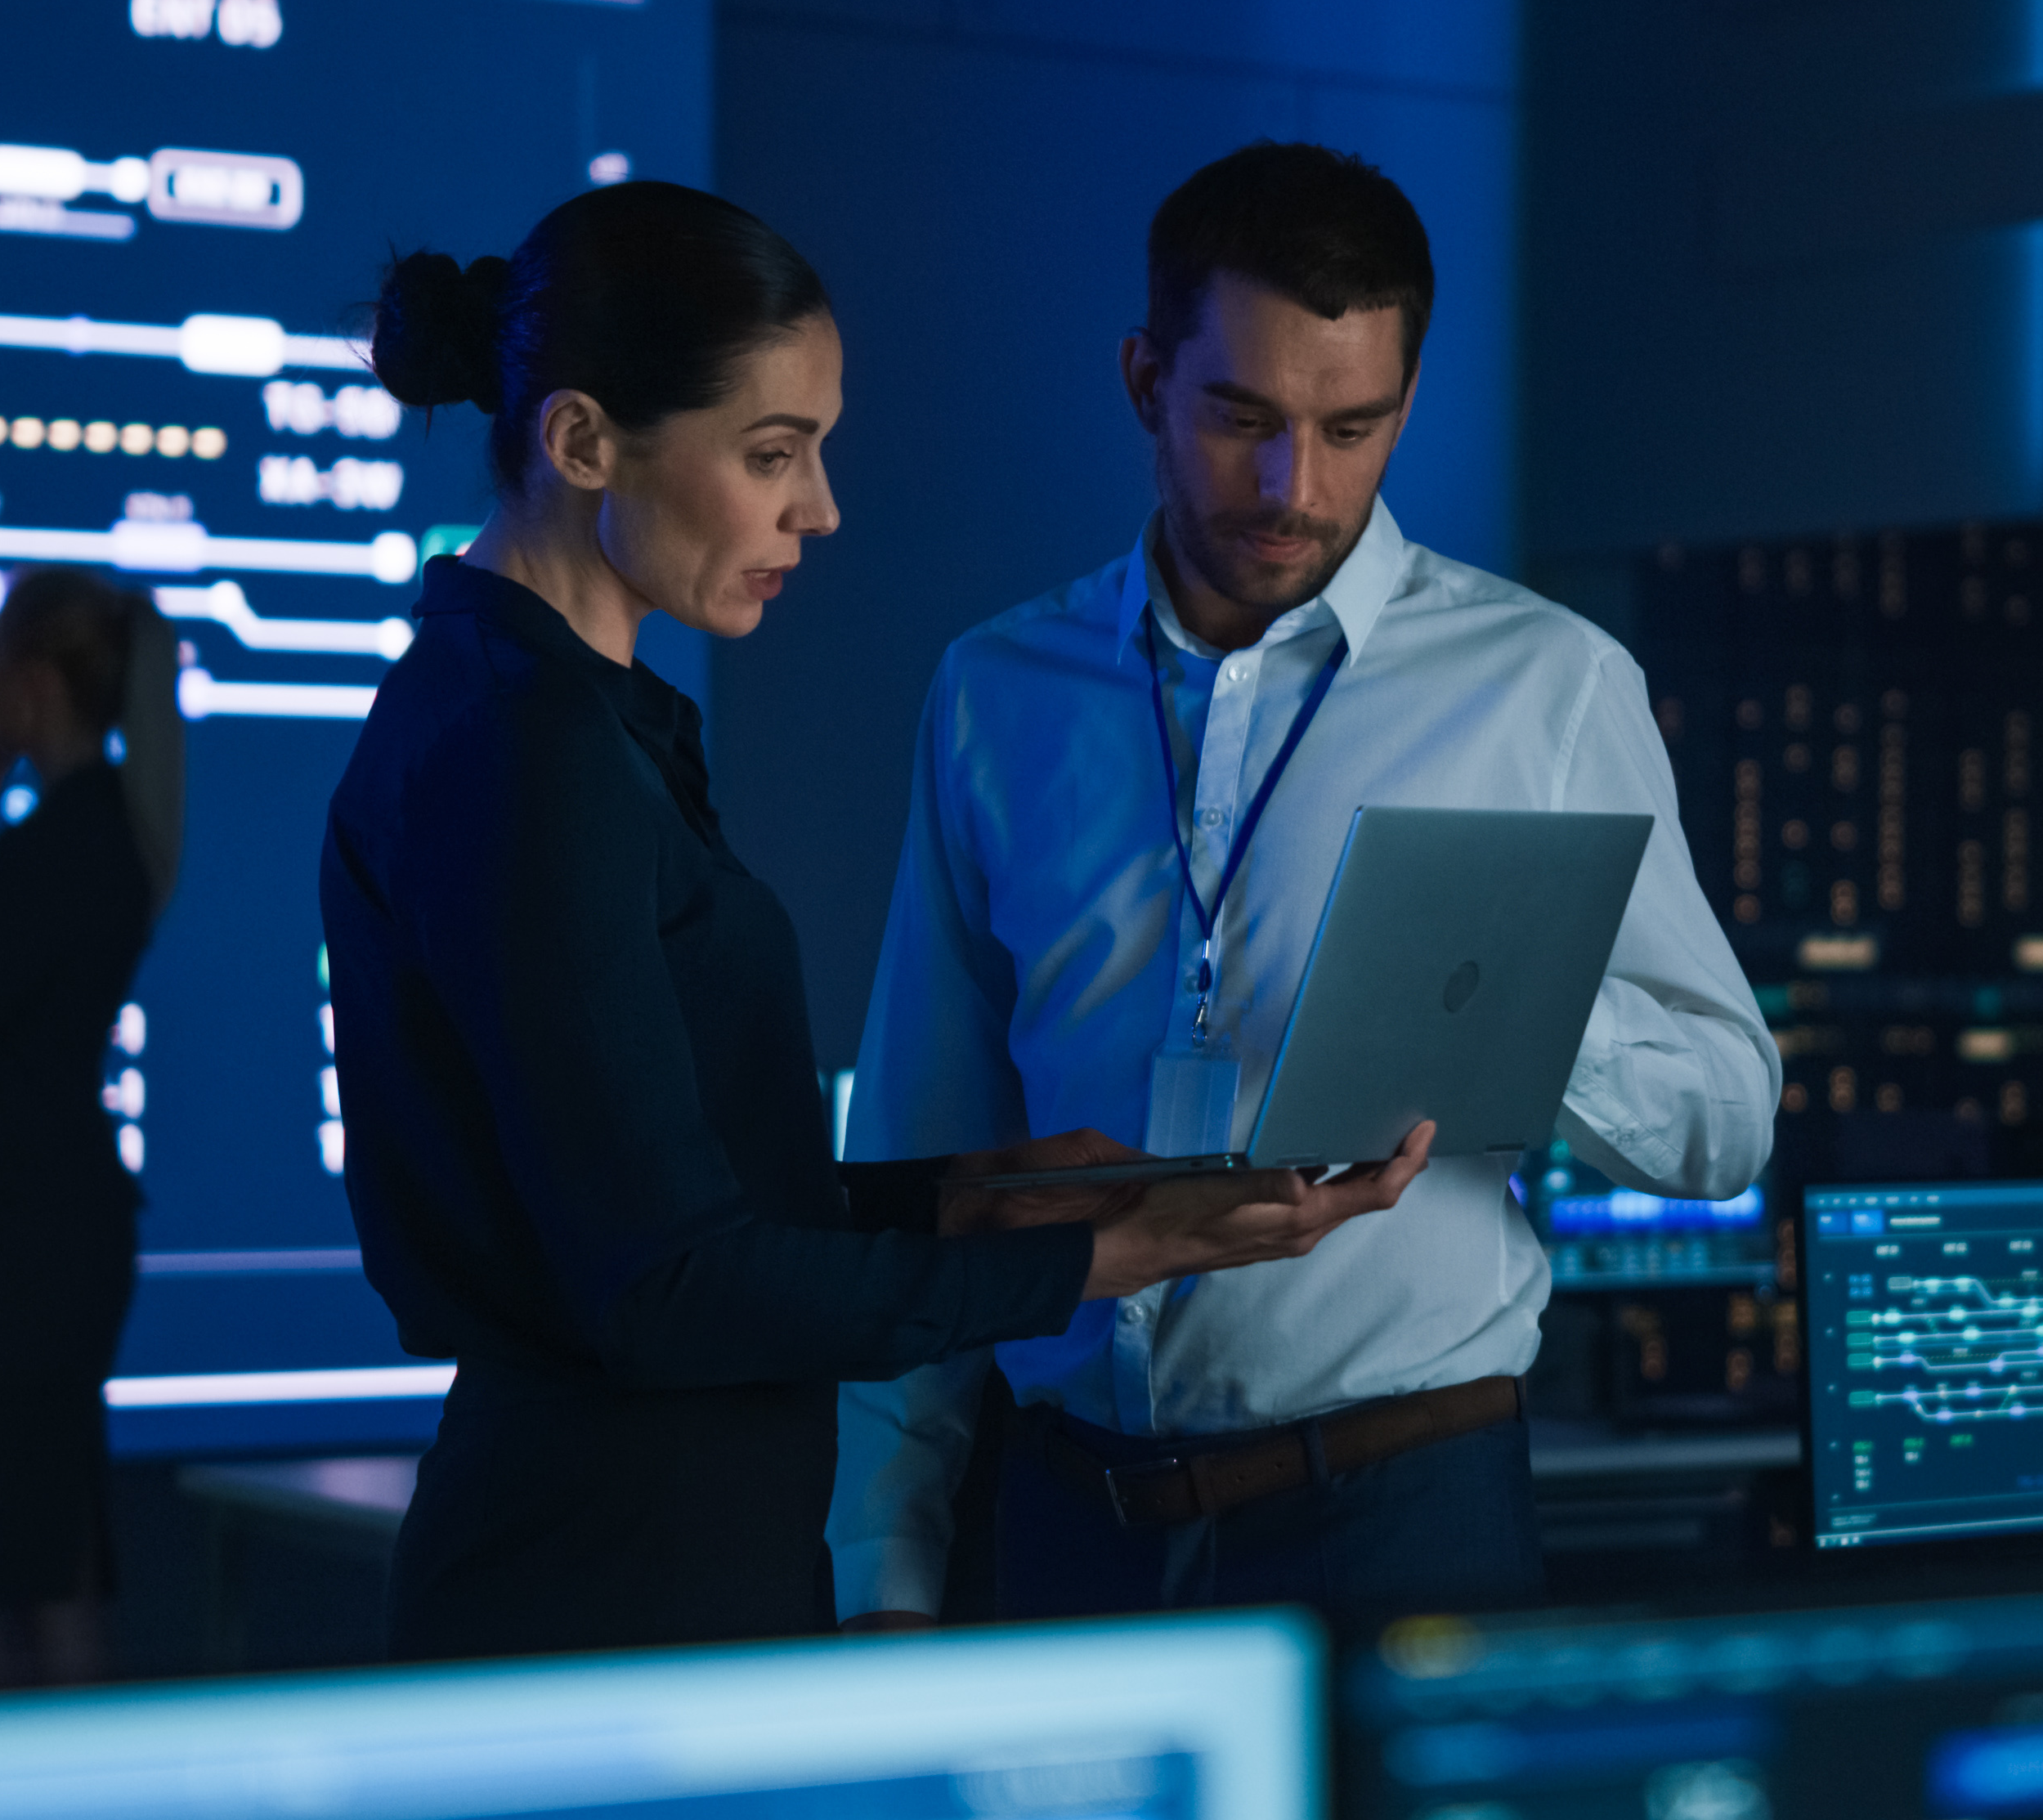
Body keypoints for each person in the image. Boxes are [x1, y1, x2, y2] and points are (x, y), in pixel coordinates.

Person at [327, 181, 1423, 1662]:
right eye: (773, 454)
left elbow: (672, 1207)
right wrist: (1101, 1262)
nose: (820, 509)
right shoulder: (526, 749)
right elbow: (666, 1286)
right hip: (606, 1588)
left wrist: (978, 1196)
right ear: (581, 441)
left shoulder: (564, 720)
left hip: (646, 1555)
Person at [831, 141, 1776, 1627]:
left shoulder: (1547, 685)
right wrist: (878, 1570)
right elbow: (926, 1145)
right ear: (1145, 379)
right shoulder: (994, 692)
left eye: (1354, 428)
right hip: (1066, 1521)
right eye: (1242, 419)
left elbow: (1727, 1122)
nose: (1295, 487)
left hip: (1408, 1510)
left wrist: (1512, 1004)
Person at [0, 567, 182, 1684]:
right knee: (39, 1560)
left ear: (36, 681)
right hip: (43, 1239)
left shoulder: (64, 846)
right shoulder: (99, 833)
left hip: (15, 1245)